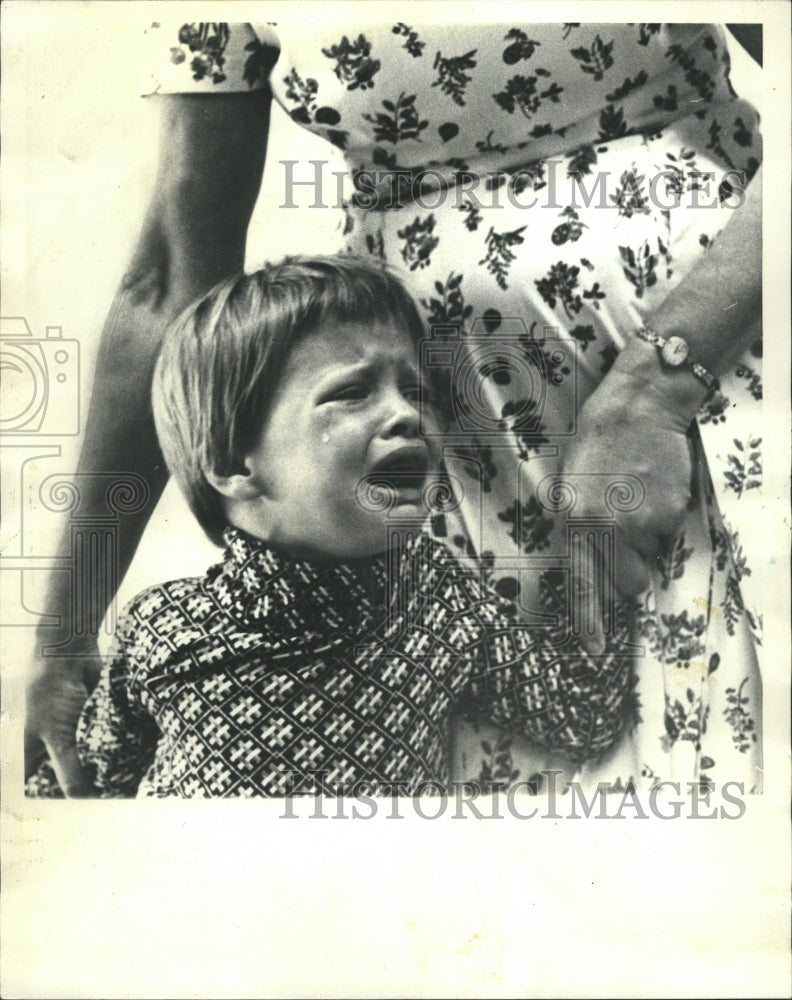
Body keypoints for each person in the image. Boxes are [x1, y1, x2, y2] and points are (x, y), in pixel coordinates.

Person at [27, 19, 763, 796]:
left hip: (710, 367)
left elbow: (581, 707)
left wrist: (655, 392)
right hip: (469, 454)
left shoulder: (442, 613)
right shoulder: (185, 627)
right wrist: (65, 630)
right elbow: (174, 275)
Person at [27, 255, 636, 797]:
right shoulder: (161, 626)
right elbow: (105, 769)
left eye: (415, 390)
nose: (405, 415)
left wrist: (601, 553)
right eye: (351, 392)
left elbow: (581, 719)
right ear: (235, 465)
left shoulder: (441, 599)